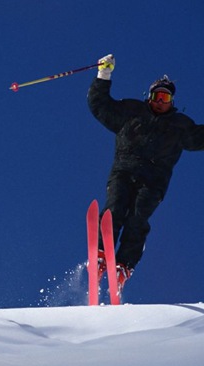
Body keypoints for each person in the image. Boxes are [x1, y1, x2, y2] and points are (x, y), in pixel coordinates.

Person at [87, 54, 204, 296]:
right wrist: (103, 75)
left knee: (138, 218)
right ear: (149, 96)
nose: (161, 102)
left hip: (153, 180)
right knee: (115, 208)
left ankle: (123, 265)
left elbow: (199, 138)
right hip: (124, 169)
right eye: (157, 96)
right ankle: (100, 253)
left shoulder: (180, 126)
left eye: (166, 98)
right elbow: (100, 106)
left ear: (172, 101)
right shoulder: (131, 112)